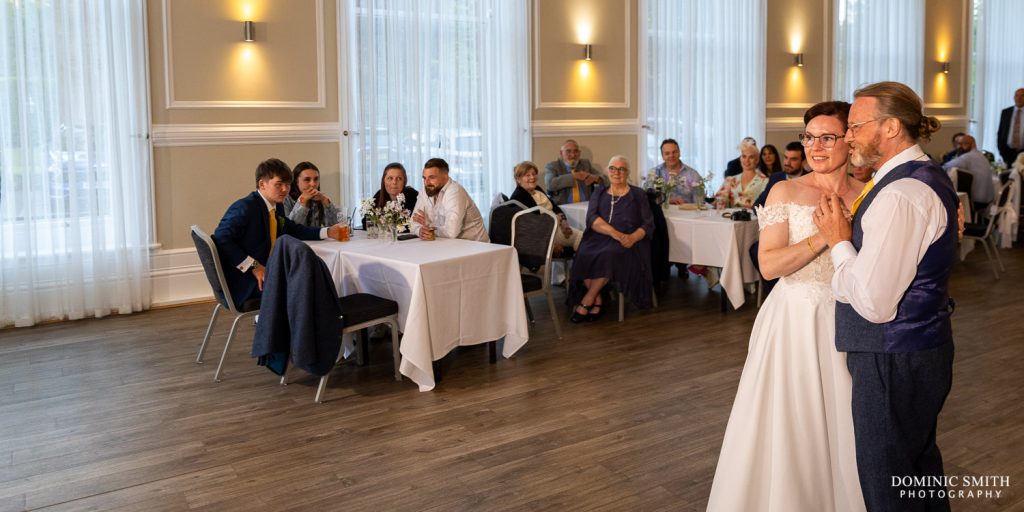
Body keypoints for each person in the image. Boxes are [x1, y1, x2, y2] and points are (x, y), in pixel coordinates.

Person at [707, 101, 867, 512]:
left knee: (845, 421)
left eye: (827, 137)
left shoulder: (869, 193)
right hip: (794, 320)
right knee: (790, 422)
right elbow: (769, 264)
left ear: (849, 140)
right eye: (809, 137)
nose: (815, 146)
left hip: (852, 319)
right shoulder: (785, 190)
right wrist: (826, 236)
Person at [814, 81, 958, 511]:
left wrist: (839, 241)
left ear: (891, 127)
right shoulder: (920, 176)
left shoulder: (900, 195)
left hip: (892, 353)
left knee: (887, 483)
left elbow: (874, 302)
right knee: (917, 468)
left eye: (855, 126)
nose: (849, 136)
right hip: (919, 347)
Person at [212, 158, 347, 309]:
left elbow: (293, 229)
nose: (285, 189)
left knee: (314, 277)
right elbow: (220, 238)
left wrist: (327, 231)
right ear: (262, 184)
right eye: (279, 184)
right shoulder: (245, 207)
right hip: (246, 283)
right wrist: (254, 266)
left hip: (268, 271)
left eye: (288, 184)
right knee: (312, 285)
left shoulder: (276, 206)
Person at [568, 156, 654, 323]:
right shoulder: (599, 192)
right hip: (599, 237)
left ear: (627, 172)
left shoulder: (638, 194)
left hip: (630, 241)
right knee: (583, 253)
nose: (617, 172)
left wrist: (632, 237)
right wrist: (614, 233)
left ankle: (587, 300)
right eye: (613, 168)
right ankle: (597, 299)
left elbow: (648, 223)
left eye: (621, 169)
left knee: (609, 254)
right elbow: (592, 218)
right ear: (607, 171)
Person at [509, 161, 582, 256]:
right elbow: (533, 224)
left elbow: (555, 207)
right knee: (581, 237)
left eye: (534, 174)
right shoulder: (518, 196)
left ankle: (579, 266)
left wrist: (564, 222)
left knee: (585, 238)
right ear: (518, 179)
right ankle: (581, 268)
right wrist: (557, 220)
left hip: (555, 227)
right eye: (527, 175)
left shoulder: (537, 189)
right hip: (545, 234)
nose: (532, 177)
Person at [410, 157, 489, 242]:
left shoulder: (455, 191)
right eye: (424, 178)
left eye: (432, 177)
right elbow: (412, 224)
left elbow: (451, 233)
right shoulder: (427, 190)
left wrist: (428, 225)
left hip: (477, 247)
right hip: (449, 246)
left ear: (445, 177)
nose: (426, 183)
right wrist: (420, 231)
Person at [942, 134, 995, 214]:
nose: (959, 147)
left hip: (978, 200)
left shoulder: (969, 156)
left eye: (962, 144)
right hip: (988, 198)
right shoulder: (980, 155)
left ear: (972, 144)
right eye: (958, 144)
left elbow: (946, 166)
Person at [544, 139, 608, 204]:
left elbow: (606, 180)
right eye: (568, 151)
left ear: (579, 153)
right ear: (561, 153)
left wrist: (595, 178)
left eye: (576, 151)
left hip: (586, 206)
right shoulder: (553, 166)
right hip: (562, 208)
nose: (573, 155)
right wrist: (574, 176)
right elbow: (550, 184)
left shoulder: (585, 164)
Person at [644, 138, 705, 204]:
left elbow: (700, 202)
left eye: (674, 152)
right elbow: (646, 198)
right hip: (661, 213)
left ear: (679, 153)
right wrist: (667, 200)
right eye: (667, 153)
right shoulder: (654, 172)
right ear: (662, 156)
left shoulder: (693, 174)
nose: (671, 156)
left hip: (687, 213)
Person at [283, 161, 342, 228]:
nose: (313, 184)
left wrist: (325, 201)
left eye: (316, 179)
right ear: (296, 182)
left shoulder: (319, 198)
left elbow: (337, 226)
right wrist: (303, 202)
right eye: (307, 179)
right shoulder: (286, 199)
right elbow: (290, 229)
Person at [714, 140, 768, 208]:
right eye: (744, 156)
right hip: (731, 217)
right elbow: (718, 199)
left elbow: (765, 204)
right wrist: (721, 202)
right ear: (740, 158)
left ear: (757, 160)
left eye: (751, 157)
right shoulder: (730, 179)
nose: (747, 160)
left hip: (754, 218)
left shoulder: (765, 181)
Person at [754, 141, 807, 209]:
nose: (787, 163)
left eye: (793, 159)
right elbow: (758, 204)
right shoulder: (775, 177)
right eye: (785, 157)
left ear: (803, 161)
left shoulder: (810, 179)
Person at [366, 162, 419, 230]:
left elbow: (416, 224)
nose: (394, 182)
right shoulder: (379, 195)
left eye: (399, 178)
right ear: (384, 181)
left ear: (404, 181)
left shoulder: (413, 195)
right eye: (390, 178)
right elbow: (366, 221)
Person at [996, 88, 1024, 166]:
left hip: (1023, 153)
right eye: (1016, 95)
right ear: (1014, 97)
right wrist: (1001, 151)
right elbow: (1000, 132)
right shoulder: (1006, 112)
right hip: (1008, 152)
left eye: (1022, 96)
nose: (1019, 98)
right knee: (1008, 176)